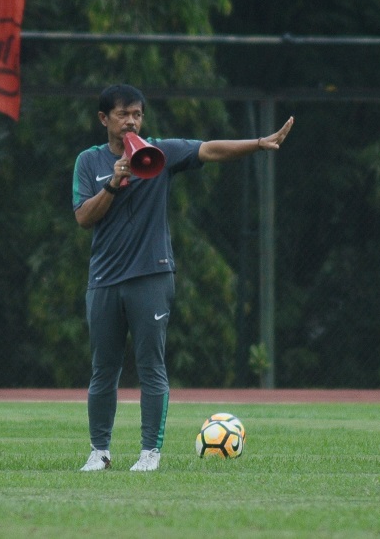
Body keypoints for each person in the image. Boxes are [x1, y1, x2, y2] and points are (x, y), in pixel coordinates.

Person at [73, 84, 294, 472]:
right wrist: (113, 182)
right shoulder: (88, 162)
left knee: (151, 366)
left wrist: (260, 143)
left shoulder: (160, 153)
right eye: (123, 114)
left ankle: (149, 454)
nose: (131, 121)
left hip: (151, 276)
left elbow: (209, 149)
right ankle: (99, 452)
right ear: (104, 119)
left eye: (137, 114)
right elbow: (83, 217)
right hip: (104, 280)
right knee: (103, 370)